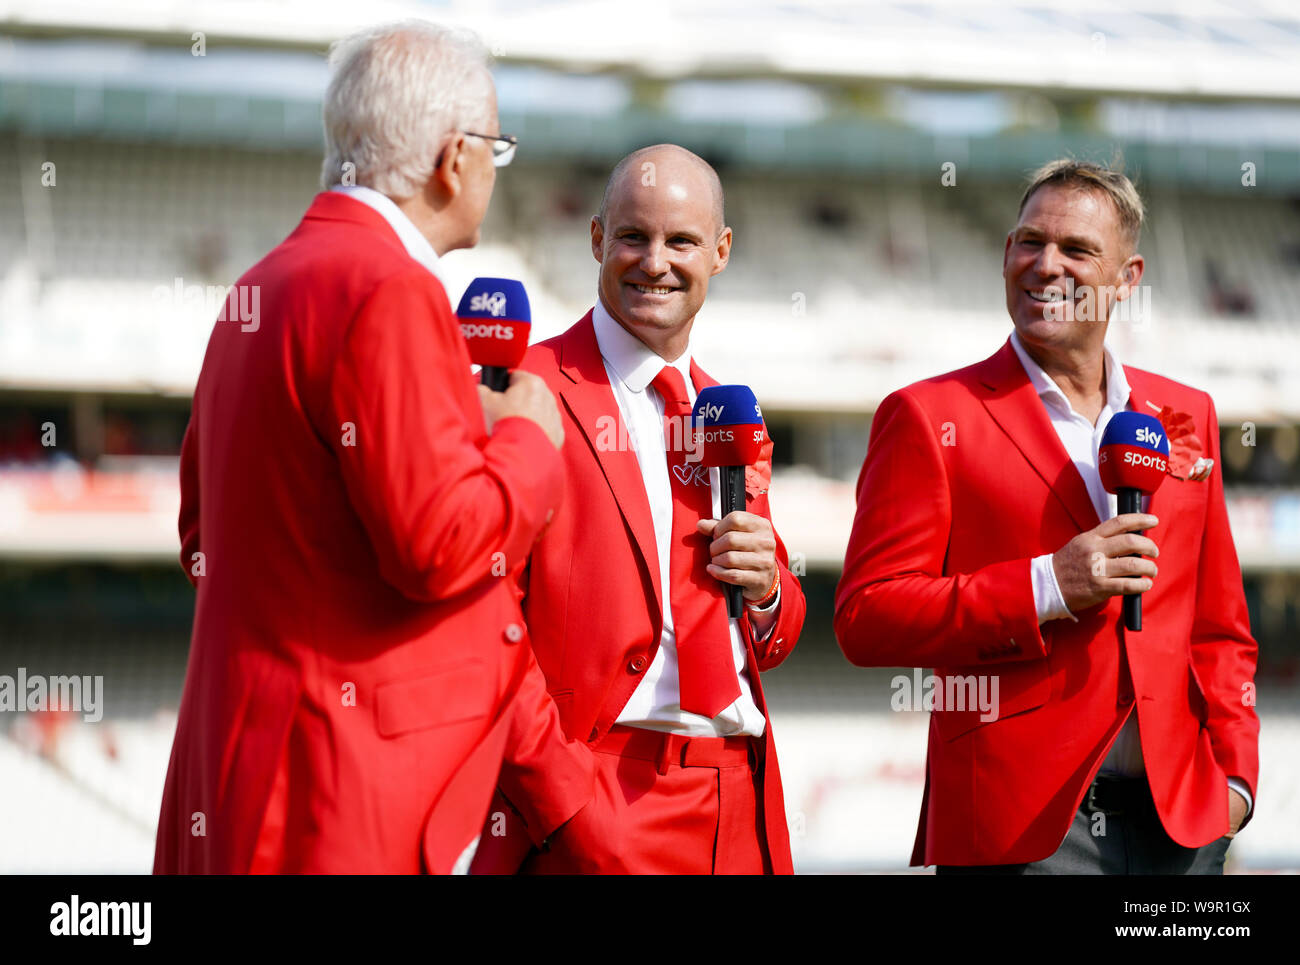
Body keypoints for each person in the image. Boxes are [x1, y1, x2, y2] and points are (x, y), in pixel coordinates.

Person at [154, 20, 574, 874]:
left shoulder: (262, 282)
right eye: (498, 147)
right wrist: (531, 437)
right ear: (454, 158)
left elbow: (201, 537)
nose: (496, 168)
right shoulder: (389, 287)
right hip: (332, 791)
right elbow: (438, 544)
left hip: (233, 774)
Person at [834, 159, 1259, 873]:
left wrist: (1236, 783)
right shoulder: (929, 416)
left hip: (1183, 822)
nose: (1045, 264)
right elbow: (866, 616)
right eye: (1030, 242)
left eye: (1077, 250)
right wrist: (1048, 585)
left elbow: (1218, 625)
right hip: (1022, 826)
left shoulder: (1189, 414)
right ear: (1006, 254)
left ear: (1127, 277)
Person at [470, 144, 807, 874]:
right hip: (596, 796)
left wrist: (770, 591)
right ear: (597, 239)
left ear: (719, 252)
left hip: (740, 797)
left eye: (681, 240)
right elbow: (482, 622)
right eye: (634, 236)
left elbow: (773, 637)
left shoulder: (732, 413)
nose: (656, 261)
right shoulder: (524, 390)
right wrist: (567, 803)